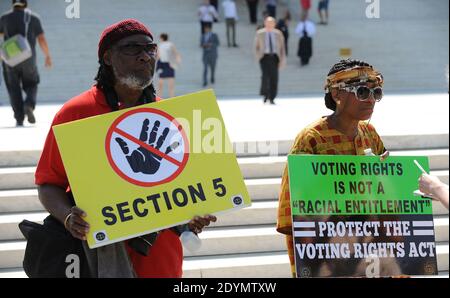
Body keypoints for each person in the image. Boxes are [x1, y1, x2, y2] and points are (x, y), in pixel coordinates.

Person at [34, 19, 216, 278]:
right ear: (107, 57)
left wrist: (192, 216)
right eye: (132, 49)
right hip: (97, 259)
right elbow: (48, 184)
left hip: (161, 260)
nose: (145, 57)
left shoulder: (170, 117)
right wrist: (67, 216)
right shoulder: (75, 113)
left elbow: (185, 191)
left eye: (150, 49)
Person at [277, 59, 388, 276]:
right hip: (328, 249)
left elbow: (385, 189)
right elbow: (296, 209)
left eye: (376, 93)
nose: (371, 100)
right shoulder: (312, 138)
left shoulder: (370, 133)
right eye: (362, 92)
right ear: (337, 95)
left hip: (367, 244)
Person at [0, 0, 52, 127]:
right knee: (32, 83)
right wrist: (47, 56)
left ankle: (19, 118)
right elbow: (41, 39)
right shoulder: (33, 18)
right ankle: (28, 105)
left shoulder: (4, 18)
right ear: (26, 4)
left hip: (10, 60)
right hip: (28, 58)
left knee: (13, 87)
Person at [254, 16, 286, 105]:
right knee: (265, 77)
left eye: (271, 23)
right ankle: (265, 94)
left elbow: (282, 47)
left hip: (275, 57)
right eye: (268, 22)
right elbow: (256, 46)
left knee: (274, 78)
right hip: (264, 57)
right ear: (265, 23)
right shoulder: (260, 33)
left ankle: (272, 97)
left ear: (274, 24)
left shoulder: (278, 33)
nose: (269, 24)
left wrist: (282, 59)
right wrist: (258, 56)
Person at [156, 33, 181, 98]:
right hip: (163, 64)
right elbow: (176, 53)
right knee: (163, 83)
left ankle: (165, 97)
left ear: (162, 38)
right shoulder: (166, 44)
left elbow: (158, 56)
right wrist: (178, 59)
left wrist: (177, 59)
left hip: (167, 64)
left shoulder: (165, 45)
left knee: (166, 84)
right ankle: (162, 97)